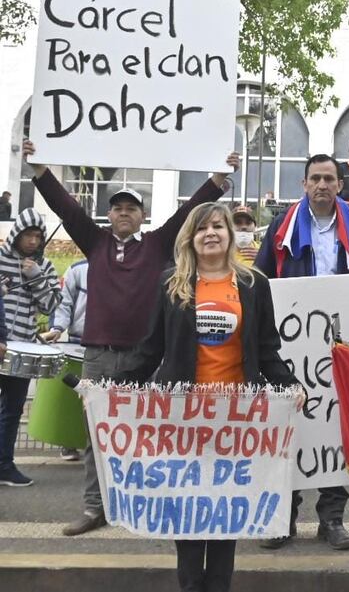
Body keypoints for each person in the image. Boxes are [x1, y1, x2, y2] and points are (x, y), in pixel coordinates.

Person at [23, 139, 240, 536]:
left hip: (144, 359)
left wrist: (219, 178)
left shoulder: (158, 245)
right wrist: (38, 169)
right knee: (95, 435)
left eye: (132, 208)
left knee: (147, 433)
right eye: (118, 208)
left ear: (142, 217)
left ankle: (141, 503)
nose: (125, 213)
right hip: (99, 357)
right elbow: (66, 208)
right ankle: (94, 507)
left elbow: (188, 211)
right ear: (109, 215)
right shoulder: (96, 242)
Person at [137, 202, 300, 592]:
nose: (210, 233)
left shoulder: (253, 283)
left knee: (225, 512)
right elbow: (150, 348)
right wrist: (110, 388)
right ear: (190, 239)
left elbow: (265, 348)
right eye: (201, 228)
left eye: (218, 226)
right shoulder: (170, 283)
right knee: (190, 510)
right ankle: (191, 586)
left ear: (229, 234)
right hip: (182, 418)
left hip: (236, 418)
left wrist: (290, 386)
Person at [256, 153, 349, 551]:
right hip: (291, 343)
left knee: (335, 425)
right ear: (304, 184)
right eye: (314, 178)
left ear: (339, 185)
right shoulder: (282, 226)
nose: (322, 185)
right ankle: (286, 518)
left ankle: (332, 517)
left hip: (341, 342)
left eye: (329, 179)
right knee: (290, 428)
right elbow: (263, 277)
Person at [0, 208, 62, 486]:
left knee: (12, 409)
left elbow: (51, 306)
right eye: (28, 235)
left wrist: (36, 277)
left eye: (38, 236)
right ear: (17, 234)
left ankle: (4, 466)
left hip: (22, 348)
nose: (34, 241)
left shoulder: (45, 266)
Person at [42, 258, 89, 461]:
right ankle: (68, 442)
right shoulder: (77, 270)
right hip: (77, 340)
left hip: (110, 343)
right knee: (73, 396)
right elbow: (63, 303)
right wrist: (57, 328)